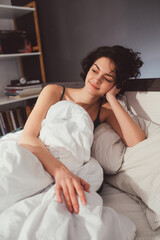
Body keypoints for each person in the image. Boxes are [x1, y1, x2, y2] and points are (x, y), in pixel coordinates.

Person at [19, 45, 146, 215]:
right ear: (88, 68)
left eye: (107, 78)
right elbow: (27, 137)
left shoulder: (106, 109)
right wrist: (60, 172)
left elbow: (136, 141)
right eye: (95, 70)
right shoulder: (54, 91)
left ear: (116, 84)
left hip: (70, 162)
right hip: (36, 152)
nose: (97, 79)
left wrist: (111, 98)